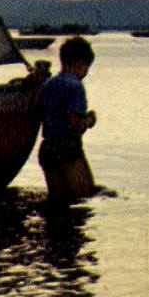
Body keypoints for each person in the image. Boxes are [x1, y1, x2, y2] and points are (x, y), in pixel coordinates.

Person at [36, 35, 98, 202]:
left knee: (58, 201)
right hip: (67, 147)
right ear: (80, 64)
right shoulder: (75, 86)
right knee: (84, 198)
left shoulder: (47, 84)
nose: (85, 73)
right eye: (87, 68)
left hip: (48, 148)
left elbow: (39, 112)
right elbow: (75, 124)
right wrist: (90, 121)